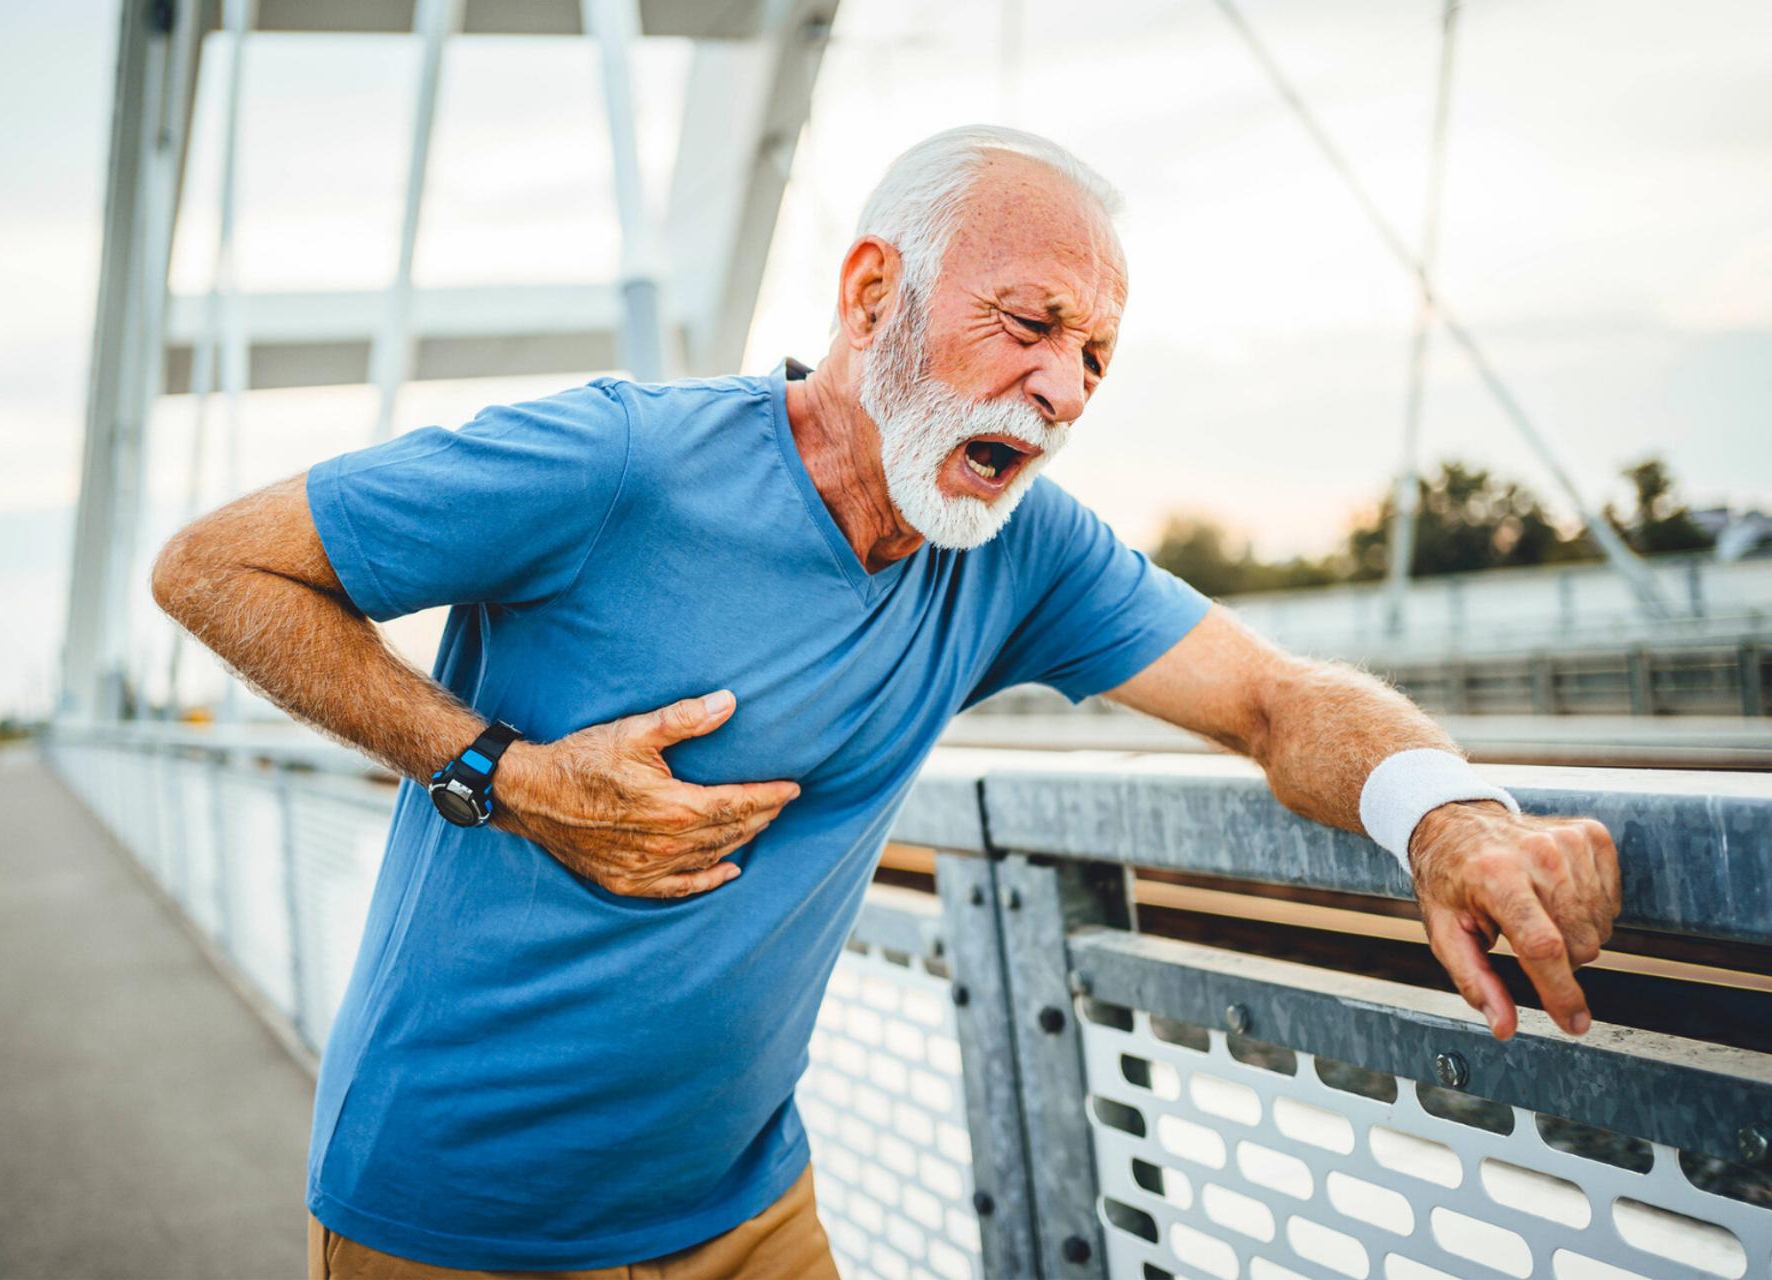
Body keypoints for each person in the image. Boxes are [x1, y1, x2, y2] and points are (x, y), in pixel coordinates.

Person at [151, 125, 1621, 1279]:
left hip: (746, 1209)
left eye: (1096, 354)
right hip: (460, 1214)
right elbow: (216, 567)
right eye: (1028, 322)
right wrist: (501, 771)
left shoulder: (1018, 552)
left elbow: (1273, 701)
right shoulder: (620, 464)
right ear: (873, 295)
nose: (1063, 389)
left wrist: (1449, 818)